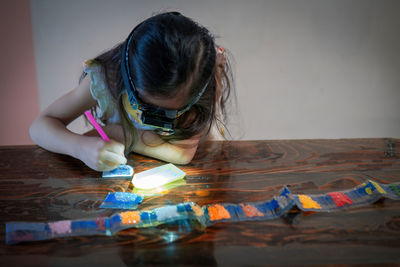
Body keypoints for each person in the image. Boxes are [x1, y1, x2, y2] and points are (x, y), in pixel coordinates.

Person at [30, 11, 234, 171]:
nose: (152, 117)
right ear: (127, 78)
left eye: (169, 114)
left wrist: (115, 132)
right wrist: (79, 147)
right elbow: (40, 126)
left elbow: (182, 154)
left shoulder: (201, 83)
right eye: (143, 105)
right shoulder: (106, 78)